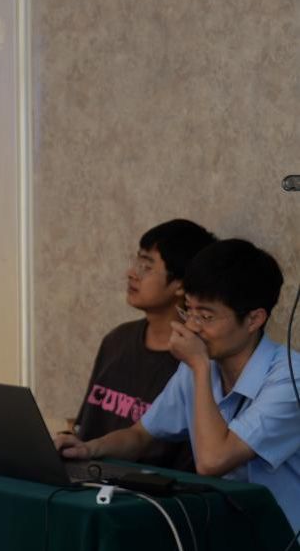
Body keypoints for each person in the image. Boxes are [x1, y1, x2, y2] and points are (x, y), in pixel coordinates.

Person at [56, 238, 300, 532]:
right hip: (223, 532)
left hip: (283, 540)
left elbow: (213, 462)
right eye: (188, 311)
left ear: (253, 319)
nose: (192, 326)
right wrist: (88, 449)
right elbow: (140, 435)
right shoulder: (198, 365)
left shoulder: (290, 378)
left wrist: (199, 367)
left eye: (206, 316)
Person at [71, 219, 216, 471]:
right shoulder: (117, 339)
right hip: (90, 475)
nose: (132, 273)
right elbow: (85, 428)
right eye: (136, 261)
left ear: (181, 285)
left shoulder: (197, 358)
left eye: (147, 266)